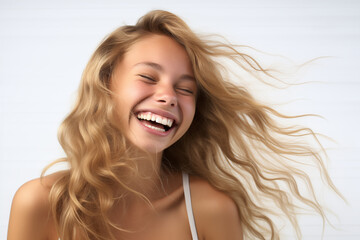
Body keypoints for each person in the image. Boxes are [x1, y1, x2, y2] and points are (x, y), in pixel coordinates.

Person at [7, 10, 340, 240]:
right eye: (148, 77)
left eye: (185, 89)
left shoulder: (211, 208)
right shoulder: (39, 203)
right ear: (106, 84)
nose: (168, 97)